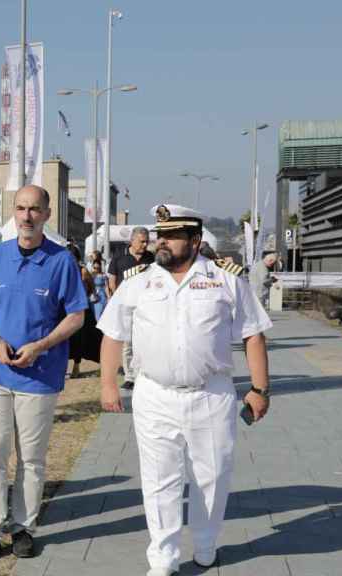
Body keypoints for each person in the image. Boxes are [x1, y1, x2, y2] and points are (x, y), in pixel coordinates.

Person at [97, 204, 272, 576]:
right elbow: (112, 334)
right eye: (160, 234)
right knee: (159, 480)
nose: (161, 241)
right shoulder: (138, 281)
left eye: (172, 235)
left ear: (194, 240)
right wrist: (108, 384)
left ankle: (205, 545)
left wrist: (259, 389)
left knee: (212, 477)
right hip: (154, 395)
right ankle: (163, 558)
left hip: (211, 394)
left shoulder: (226, 280)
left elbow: (253, 334)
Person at [0, 185, 88, 561]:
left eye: (34, 209)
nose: (27, 216)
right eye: (21, 208)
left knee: (31, 459)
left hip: (40, 376)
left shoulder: (61, 261)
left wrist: (40, 346)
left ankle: (23, 527)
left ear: (47, 215)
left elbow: (76, 315)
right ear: (13, 212)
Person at [107, 226, 155, 390]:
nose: (145, 245)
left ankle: (143, 373)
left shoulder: (150, 258)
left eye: (147, 242)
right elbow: (112, 279)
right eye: (142, 241)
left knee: (144, 341)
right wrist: (116, 299)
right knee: (127, 343)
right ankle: (130, 377)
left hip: (145, 307)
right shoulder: (120, 256)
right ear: (132, 240)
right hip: (126, 306)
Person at [66, 245, 99, 379]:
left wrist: (84, 296)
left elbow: (91, 286)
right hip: (65, 308)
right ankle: (63, 365)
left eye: (71, 257)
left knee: (80, 337)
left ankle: (76, 365)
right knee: (65, 338)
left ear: (76, 258)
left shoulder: (83, 271)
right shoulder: (63, 269)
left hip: (81, 308)